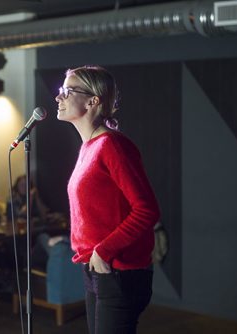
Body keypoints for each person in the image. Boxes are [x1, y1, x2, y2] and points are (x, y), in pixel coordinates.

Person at [55, 65, 160, 334]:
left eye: (67, 91)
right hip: (97, 269)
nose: (59, 97)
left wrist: (103, 250)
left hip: (119, 270)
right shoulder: (88, 147)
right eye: (60, 91)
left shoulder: (112, 145)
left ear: (93, 101)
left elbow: (146, 210)